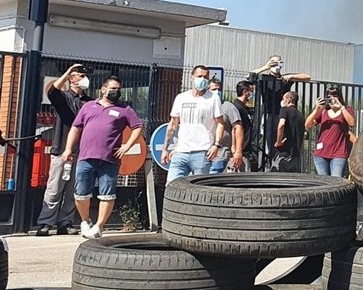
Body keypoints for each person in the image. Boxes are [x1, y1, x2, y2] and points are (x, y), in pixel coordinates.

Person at [62, 76, 143, 239]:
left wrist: (127, 146)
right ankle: (85, 222)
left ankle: (99, 226)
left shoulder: (125, 109)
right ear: (103, 90)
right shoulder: (88, 107)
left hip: (109, 159)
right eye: (113, 88)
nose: (116, 91)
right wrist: (68, 149)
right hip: (86, 157)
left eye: (118, 89)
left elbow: (138, 127)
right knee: (81, 193)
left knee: (107, 194)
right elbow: (75, 128)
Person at [35, 63, 92, 236]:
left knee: (73, 190)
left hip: (82, 152)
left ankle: (65, 222)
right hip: (61, 149)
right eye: (80, 76)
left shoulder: (89, 102)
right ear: (72, 79)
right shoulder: (64, 97)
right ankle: (45, 222)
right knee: (54, 187)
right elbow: (52, 91)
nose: (84, 79)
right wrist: (67, 73)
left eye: (85, 76)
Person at [247, 55, 311, 171]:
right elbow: (249, 77)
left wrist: (291, 76)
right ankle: (270, 166)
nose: (276, 65)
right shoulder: (264, 78)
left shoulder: (284, 79)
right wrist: (266, 66)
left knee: (287, 141)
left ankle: (283, 164)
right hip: (270, 114)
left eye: (278, 63)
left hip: (285, 114)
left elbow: (307, 77)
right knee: (270, 143)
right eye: (273, 63)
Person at [163, 66, 224, 184]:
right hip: (180, 152)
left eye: (205, 77)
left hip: (202, 152)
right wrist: (165, 149)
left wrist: (216, 145)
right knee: (171, 187)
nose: (202, 79)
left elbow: (220, 123)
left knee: (199, 190)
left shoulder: (213, 98)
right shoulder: (181, 98)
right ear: (192, 77)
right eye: (199, 76)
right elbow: (173, 123)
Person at [305, 84, 355, 177]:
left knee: (336, 181)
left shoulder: (347, 110)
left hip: (338, 153)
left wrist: (341, 108)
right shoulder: (323, 111)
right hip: (321, 153)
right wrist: (317, 108)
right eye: (329, 96)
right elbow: (308, 124)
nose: (331, 98)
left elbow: (352, 123)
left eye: (334, 95)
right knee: (323, 183)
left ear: (339, 96)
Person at [208, 78, 245, 173]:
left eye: (219, 89)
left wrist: (238, 151)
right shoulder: (204, 106)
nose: (217, 92)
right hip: (203, 152)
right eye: (213, 89)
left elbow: (238, 128)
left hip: (221, 154)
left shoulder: (228, 107)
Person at [272, 90, 305, 173]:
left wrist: (279, 141)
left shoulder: (284, 110)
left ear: (288, 100)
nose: (282, 101)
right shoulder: (300, 115)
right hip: (296, 156)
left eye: (283, 99)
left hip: (284, 154)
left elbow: (282, 124)